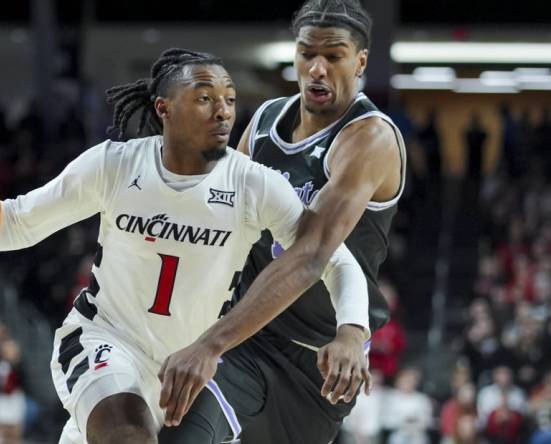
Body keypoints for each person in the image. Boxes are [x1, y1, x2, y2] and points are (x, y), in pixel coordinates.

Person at [0, 48, 368, 444]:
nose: (223, 109)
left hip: (188, 367)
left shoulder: (254, 184)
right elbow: (18, 223)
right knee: (127, 434)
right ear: (165, 108)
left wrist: (350, 330)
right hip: (104, 339)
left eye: (229, 97)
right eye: (204, 97)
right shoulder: (114, 165)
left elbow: (329, 256)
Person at [157, 1, 406, 443]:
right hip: (245, 338)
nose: (316, 69)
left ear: (361, 61)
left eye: (334, 56)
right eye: (307, 53)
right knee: (182, 434)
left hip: (320, 361)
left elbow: (311, 255)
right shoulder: (267, 119)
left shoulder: (370, 137)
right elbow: (223, 222)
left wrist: (352, 329)